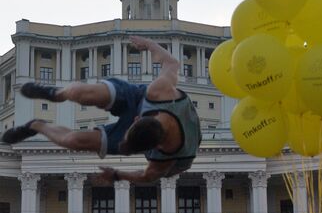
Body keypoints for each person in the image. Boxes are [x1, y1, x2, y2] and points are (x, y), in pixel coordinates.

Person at [2, 36, 201, 184]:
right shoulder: (160, 93)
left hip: (154, 127)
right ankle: (57, 94)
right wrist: (149, 44)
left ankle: (36, 126)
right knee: (81, 93)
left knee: (73, 141)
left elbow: (146, 176)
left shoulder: (168, 159)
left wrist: (117, 175)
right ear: (137, 119)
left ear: (154, 148)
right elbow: (172, 63)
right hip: (138, 98)